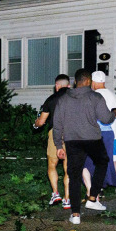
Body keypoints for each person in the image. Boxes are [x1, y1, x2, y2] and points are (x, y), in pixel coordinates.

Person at [52, 68, 116, 224]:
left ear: (75, 81)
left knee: (74, 175)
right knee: (102, 162)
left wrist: (58, 145)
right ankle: (92, 197)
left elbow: (57, 124)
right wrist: (115, 113)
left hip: (72, 141)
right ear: (89, 82)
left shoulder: (64, 99)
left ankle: (75, 215)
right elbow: (106, 119)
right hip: (92, 139)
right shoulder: (95, 97)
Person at [32, 74, 72, 208]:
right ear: (69, 85)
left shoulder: (51, 99)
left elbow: (41, 121)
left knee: (52, 164)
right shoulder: (77, 98)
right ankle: (67, 199)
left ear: (56, 86)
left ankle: (56, 193)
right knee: (69, 168)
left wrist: (36, 124)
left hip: (55, 133)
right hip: (73, 134)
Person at [88, 71, 116, 194]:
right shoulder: (114, 95)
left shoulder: (94, 96)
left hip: (99, 131)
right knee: (113, 155)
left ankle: (99, 184)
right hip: (113, 131)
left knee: (97, 159)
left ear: (93, 82)